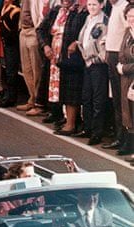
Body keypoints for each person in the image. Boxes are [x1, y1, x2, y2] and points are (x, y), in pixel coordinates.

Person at [37, 0, 88, 136]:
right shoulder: (55, 11)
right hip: (54, 57)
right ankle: (63, 118)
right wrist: (45, 46)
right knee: (59, 89)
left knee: (71, 88)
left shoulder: (80, 13)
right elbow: (41, 29)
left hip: (70, 58)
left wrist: (77, 43)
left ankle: (71, 123)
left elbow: (84, 33)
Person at [76, 0, 109, 145]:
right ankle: (87, 127)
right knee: (86, 97)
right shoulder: (88, 18)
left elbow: (103, 46)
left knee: (98, 99)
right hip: (87, 62)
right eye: (89, 4)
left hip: (98, 64)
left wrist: (95, 59)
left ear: (101, 5)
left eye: (95, 4)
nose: (91, 7)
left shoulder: (104, 21)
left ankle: (97, 132)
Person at [102, 0, 128, 151]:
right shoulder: (114, 7)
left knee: (121, 99)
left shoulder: (124, 7)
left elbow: (128, 30)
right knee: (116, 99)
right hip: (112, 53)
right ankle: (119, 136)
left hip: (119, 55)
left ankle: (124, 138)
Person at [116, 3, 134, 157]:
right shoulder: (128, 33)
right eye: (129, 17)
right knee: (128, 112)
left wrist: (124, 68)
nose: (132, 19)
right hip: (127, 79)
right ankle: (129, 144)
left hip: (130, 77)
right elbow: (121, 54)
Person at [0, 0, 21, 108]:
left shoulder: (15, 10)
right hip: (6, 43)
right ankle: (9, 95)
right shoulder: (5, 7)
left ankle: (11, 98)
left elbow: (14, 31)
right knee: (8, 70)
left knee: (11, 71)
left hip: (12, 44)